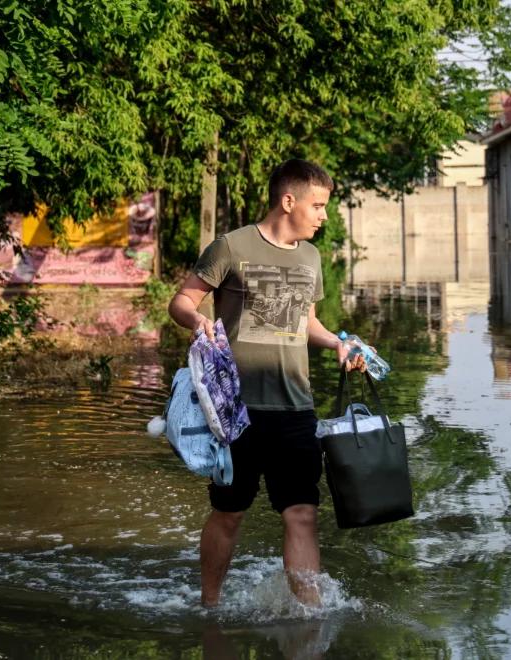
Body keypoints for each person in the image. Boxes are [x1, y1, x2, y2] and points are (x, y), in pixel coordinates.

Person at [168, 159, 365, 607]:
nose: (324, 215)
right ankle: (210, 606)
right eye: (318, 205)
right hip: (234, 412)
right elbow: (182, 298)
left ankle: (310, 619)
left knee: (301, 513)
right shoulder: (230, 247)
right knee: (229, 513)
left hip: (295, 409)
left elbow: (306, 323)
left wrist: (337, 343)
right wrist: (195, 318)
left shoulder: (312, 257)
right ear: (288, 200)